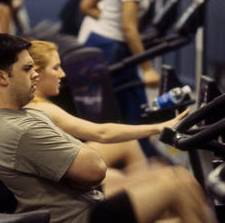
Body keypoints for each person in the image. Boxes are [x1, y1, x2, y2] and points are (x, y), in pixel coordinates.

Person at [0, 34, 225, 223]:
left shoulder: (22, 115)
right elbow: (94, 171)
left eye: (34, 67)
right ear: (1, 78)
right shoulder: (20, 129)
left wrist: (157, 128)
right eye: (26, 69)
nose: (35, 74)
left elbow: (89, 156)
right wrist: (81, 169)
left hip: (81, 212)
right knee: (177, 181)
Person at [27, 39, 187, 179]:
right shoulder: (43, 108)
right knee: (166, 176)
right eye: (56, 68)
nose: (62, 74)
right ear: (37, 73)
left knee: (124, 167)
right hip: (60, 178)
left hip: (60, 167)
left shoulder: (35, 103)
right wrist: (157, 127)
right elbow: (101, 133)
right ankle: (146, 187)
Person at [79, 0, 162, 132]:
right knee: (135, 112)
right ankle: (139, 159)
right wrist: (148, 70)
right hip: (114, 49)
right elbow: (129, 28)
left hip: (96, 42)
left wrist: (108, 18)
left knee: (105, 112)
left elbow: (86, 6)